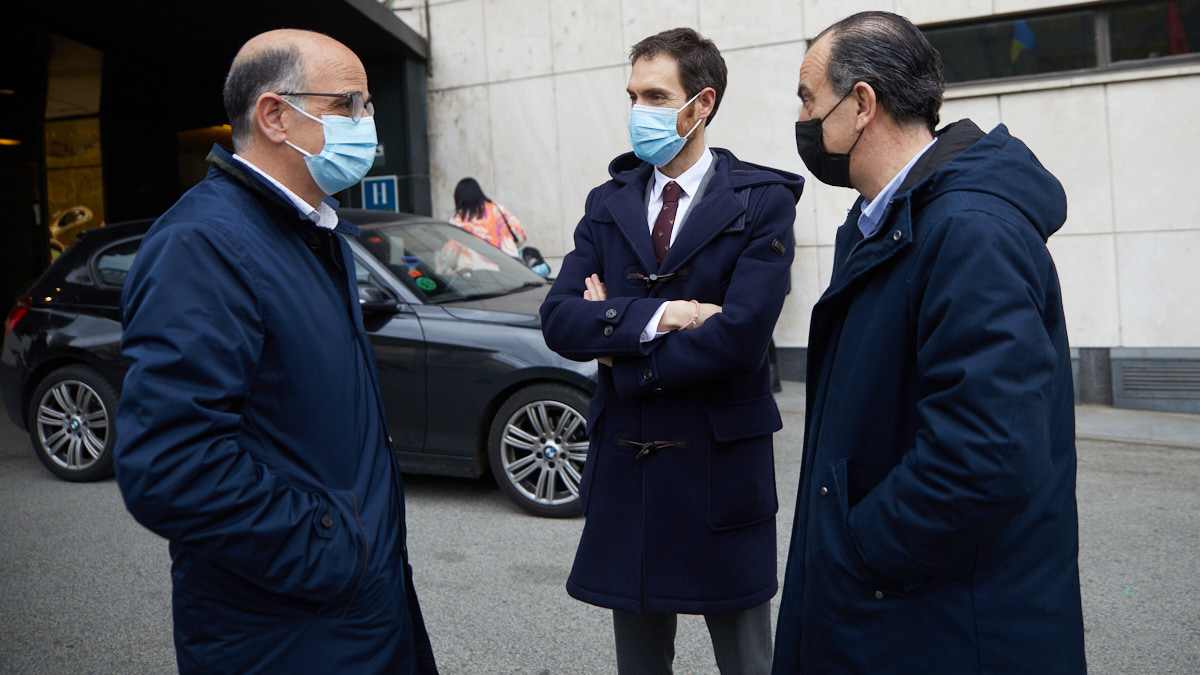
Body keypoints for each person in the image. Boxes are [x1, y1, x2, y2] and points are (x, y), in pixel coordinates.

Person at [113, 29, 437, 674]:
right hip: (286, 634)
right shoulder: (204, 244)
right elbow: (171, 467)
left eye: (368, 106)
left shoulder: (313, 232)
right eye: (347, 105)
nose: (366, 124)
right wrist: (335, 552)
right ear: (274, 115)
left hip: (356, 615)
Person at [772, 11, 1085, 674]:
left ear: (861, 104)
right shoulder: (886, 221)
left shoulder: (969, 230)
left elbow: (988, 452)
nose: (801, 118)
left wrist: (860, 548)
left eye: (808, 98)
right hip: (900, 615)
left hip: (941, 627)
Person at [540, 27, 803, 675]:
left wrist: (619, 345)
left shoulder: (761, 200)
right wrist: (670, 314)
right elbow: (560, 319)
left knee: (748, 659)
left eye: (655, 96)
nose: (638, 110)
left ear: (701, 103)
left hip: (721, 467)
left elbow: (741, 338)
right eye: (632, 95)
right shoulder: (608, 202)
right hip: (627, 464)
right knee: (639, 659)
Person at [449, 177, 550, 275]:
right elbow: (520, 234)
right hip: (509, 268)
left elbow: (451, 251)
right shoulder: (496, 208)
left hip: (475, 273)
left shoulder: (458, 218)